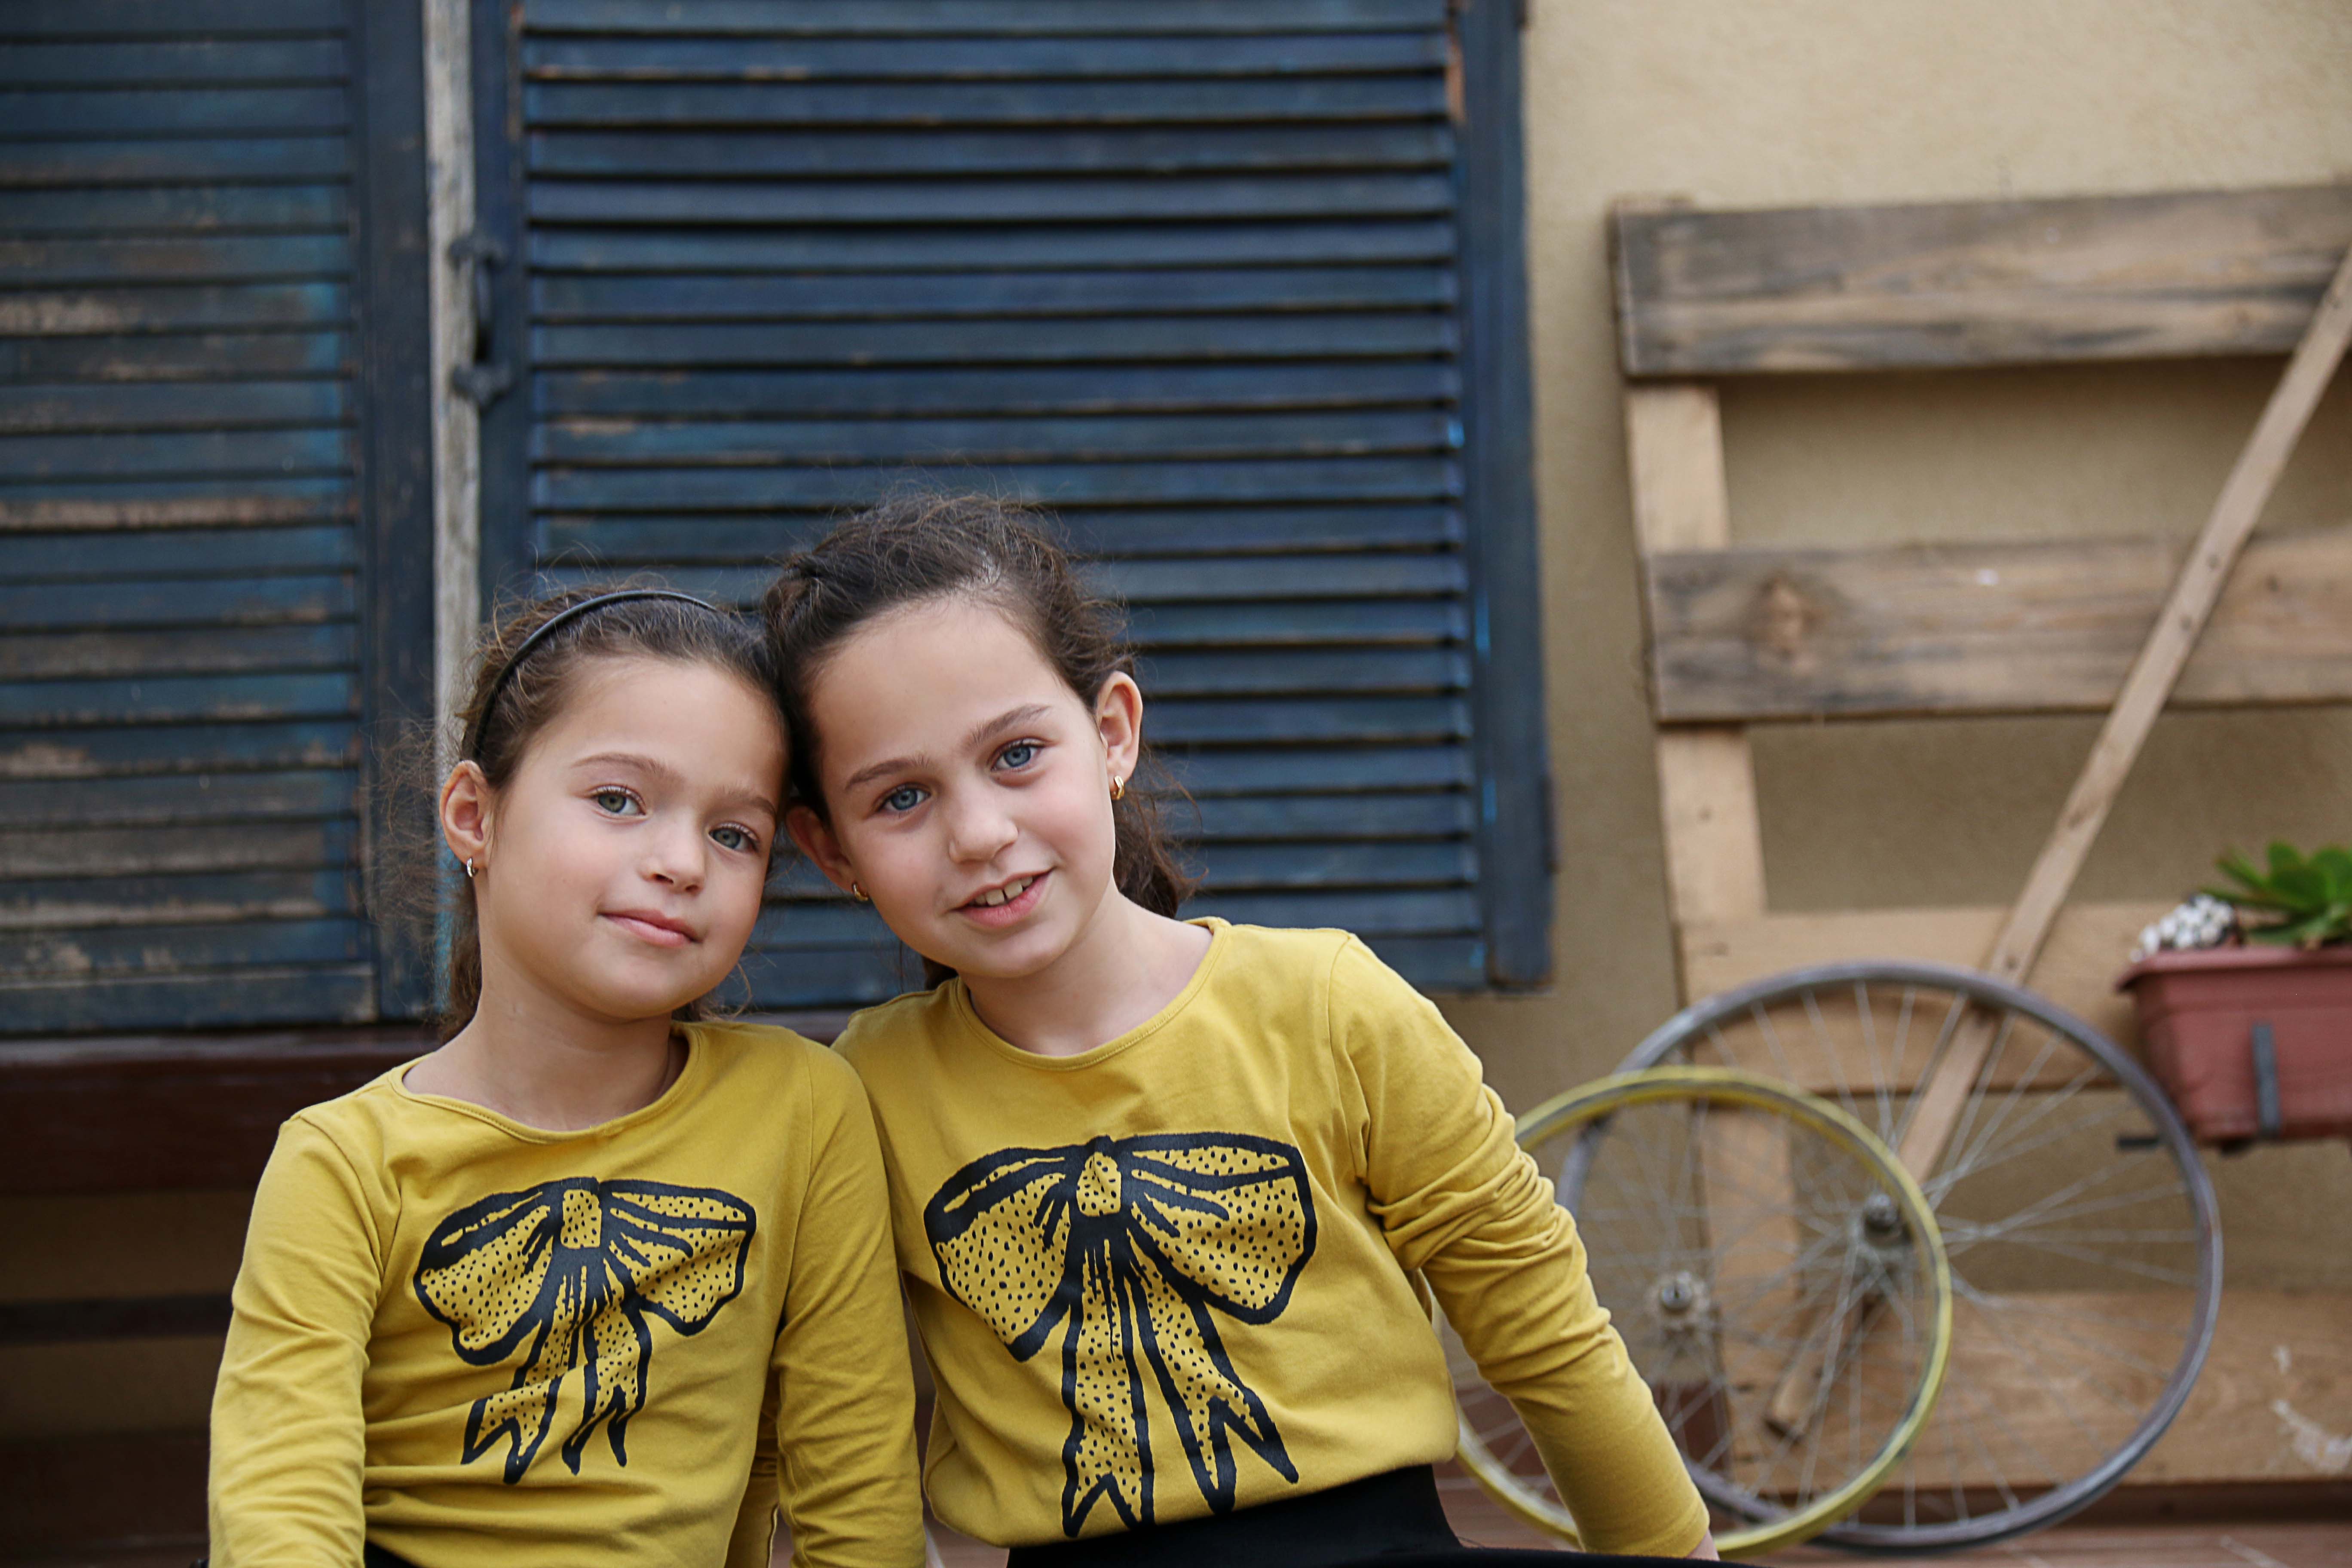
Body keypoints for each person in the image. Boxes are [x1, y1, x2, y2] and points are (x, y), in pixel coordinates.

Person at [763, 498, 1718, 1567]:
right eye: (901, 798)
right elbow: (846, 1438)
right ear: (831, 851)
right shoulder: (864, 1093)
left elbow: (1542, 1328)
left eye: (1017, 753)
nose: (980, 834)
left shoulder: (1332, 1008)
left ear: (1112, 734)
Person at [207, 588, 925, 1568]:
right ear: (474, 816)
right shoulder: (342, 1163)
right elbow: (280, 1506)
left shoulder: (802, 1109)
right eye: (618, 800)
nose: (680, 862)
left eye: (735, 834)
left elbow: (860, 1496)